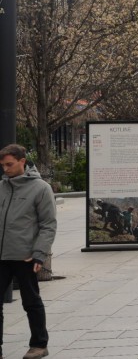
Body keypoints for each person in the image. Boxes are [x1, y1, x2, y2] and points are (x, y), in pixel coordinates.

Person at [0, 144, 57, 359]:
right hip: (1, 256)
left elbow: (48, 224)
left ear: (22, 161)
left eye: (9, 164)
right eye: (2, 165)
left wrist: (39, 253)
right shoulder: (1, 187)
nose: (5, 169)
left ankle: (39, 345)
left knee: (31, 301)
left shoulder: (41, 188)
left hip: (26, 256)